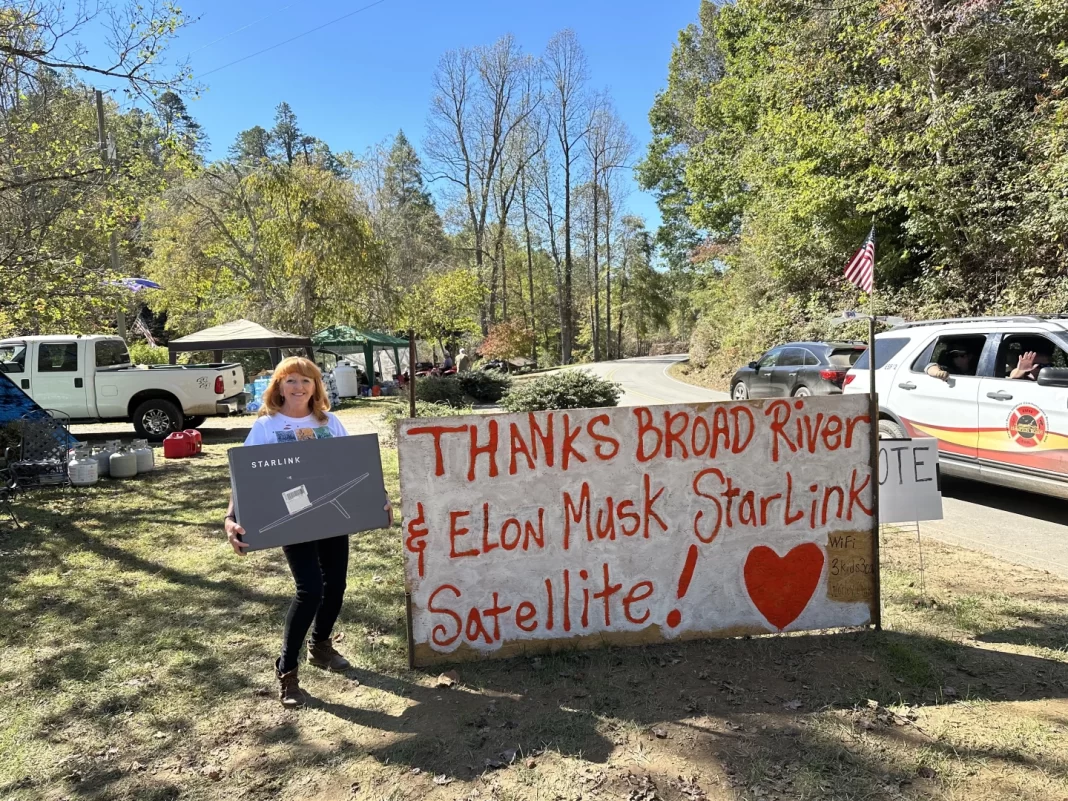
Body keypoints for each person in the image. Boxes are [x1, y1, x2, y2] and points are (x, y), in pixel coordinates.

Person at [223, 356, 392, 708]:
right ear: (278, 387)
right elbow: (244, 479)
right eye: (290, 381)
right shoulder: (267, 427)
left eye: (306, 381)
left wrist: (381, 498)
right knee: (310, 589)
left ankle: (321, 645)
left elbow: (355, 465)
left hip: (332, 519)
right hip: (294, 516)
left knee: (336, 585)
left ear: (316, 386)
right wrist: (230, 517)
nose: (299, 388)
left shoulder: (330, 422)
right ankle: (287, 669)